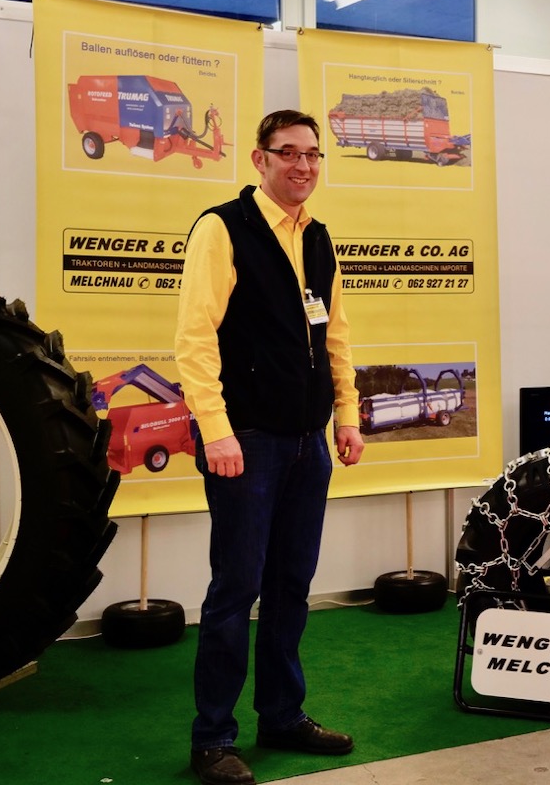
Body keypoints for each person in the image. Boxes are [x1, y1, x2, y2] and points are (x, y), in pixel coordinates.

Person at [175, 109, 365, 785]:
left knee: (291, 586)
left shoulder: (318, 237)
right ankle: (212, 739)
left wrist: (346, 415)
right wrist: (217, 430)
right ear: (260, 160)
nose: (303, 166)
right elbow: (195, 340)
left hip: (308, 443)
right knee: (236, 589)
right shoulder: (222, 228)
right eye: (289, 153)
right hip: (247, 441)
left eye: (312, 154)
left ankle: (283, 715)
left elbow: (334, 334)